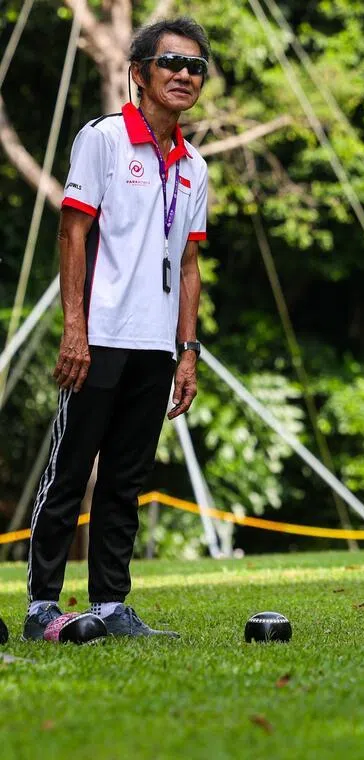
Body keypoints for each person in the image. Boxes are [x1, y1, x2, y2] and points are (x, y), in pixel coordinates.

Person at [22, 17, 211, 640]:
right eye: (171, 63)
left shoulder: (195, 166)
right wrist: (74, 328)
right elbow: (72, 230)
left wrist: (188, 351)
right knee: (70, 471)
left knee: (125, 482)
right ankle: (42, 607)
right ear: (139, 73)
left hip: (156, 346)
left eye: (196, 67)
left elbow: (189, 263)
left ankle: (109, 604)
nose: (184, 75)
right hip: (98, 336)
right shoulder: (103, 138)